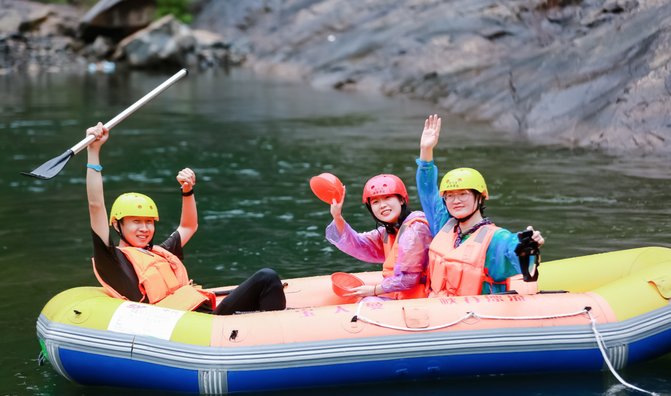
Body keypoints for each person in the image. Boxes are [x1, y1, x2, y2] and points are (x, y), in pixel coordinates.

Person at [85, 122, 286, 315]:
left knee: (268, 281)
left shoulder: (160, 253)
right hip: (193, 328)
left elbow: (188, 226)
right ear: (117, 225)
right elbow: (96, 206)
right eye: (136, 222)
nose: (144, 228)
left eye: (149, 222)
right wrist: (93, 152)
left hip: (208, 319)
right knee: (266, 277)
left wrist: (187, 191)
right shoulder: (113, 261)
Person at [416, 114, 545, 296]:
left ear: (480, 198)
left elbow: (515, 251)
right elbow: (427, 189)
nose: (456, 200)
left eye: (463, 194)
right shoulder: (443, 225)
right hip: (439, 311)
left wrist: (528, 245)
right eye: (450, 196)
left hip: (475, 317)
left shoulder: (497, 238)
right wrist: (425, 150)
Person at [326, 174, 433, 299]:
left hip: (423, 298)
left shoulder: (414, 229)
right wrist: (337, 216)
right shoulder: (390, 231)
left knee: (368, 302)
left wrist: (374, 290)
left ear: (402, 200)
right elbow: (359, 244)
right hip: (404, 295)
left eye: (387, 198)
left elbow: (409, 279)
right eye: (376, 202)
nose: (382, 205)